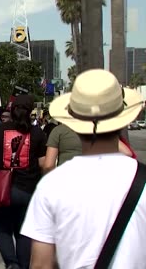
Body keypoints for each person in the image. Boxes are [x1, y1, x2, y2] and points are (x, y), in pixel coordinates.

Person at [21, 69, 146, 268]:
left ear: (75, 122)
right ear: (122, 116)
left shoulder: (51, 186)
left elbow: (40, 264)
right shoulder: (142, 180)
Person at [0, 95, 47, 269]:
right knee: (24, 232)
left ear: (11, 109)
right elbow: (43, 164)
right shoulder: (37, 133)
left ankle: (11, 262)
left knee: (1, 229)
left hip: (2, 190)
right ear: (30, 111)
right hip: (28, 191)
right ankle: (24, 265)